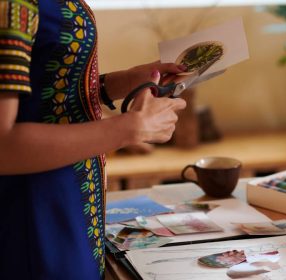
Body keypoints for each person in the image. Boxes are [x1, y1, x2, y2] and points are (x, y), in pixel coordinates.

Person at [0, 1, 187, 279]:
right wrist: (131, 128)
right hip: (36, 216)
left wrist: (127, 79)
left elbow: (48, 91)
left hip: (69, 206)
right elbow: (4, 147)